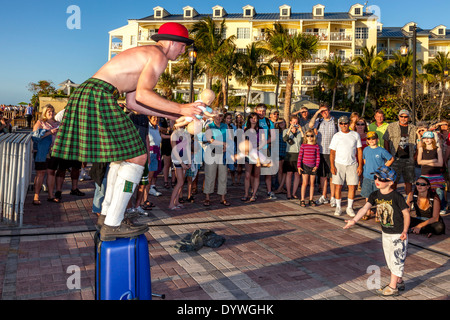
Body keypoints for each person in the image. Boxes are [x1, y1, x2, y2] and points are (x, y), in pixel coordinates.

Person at [51, 22, 205, 241]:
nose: (183, 51)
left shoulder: (148, 54)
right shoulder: (158, 55)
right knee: (138, 156)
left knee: (122, 157)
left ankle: (107, 216)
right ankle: (113, 223)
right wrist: (182, 107)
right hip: (99, 95)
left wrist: (172, 115)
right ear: (172, 42)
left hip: (93, 93)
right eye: (182, 46)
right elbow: (143, 95)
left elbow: (133, 103)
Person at [344, 165, 410, 297]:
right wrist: (354, 220)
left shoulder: (397, 196)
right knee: (390, 260)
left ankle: (393, 287)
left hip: (398, 234)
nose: (377, 180)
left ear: (390, 182)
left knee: (396, 259)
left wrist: (405, 231)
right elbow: (364, 208)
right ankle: (399, 281)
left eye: (381, 179)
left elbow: (406, 214)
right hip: (386, 232)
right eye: (375, 177)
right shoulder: (375, 194)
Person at [329, 116, 363, 217]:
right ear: (339, 124)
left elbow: (359, 151)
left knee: (352, 186)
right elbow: (332, 152)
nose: (344, 125)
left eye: (346, 123)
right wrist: (332, 166)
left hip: (352, 164)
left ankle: (349, 207)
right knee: (338, 186)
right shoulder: (336, 136)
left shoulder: (355, 135)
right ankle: (338, 207)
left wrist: (360, 165)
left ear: (349, 124)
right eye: (341, 123)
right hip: (339, 164)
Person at [383, 109, 417, 207]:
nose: (403, 118)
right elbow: (386, 140)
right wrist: (388, 154)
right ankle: (392, 200)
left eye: (405, 116)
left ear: (408, 117)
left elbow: (419, 141)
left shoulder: (413, 128)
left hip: (409, 159)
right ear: (398, 117)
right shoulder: (391, 126)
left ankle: (408, 202)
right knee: (393, 181)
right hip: (395, 158)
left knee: (409, 181)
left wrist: (416, 155)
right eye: (401, 116)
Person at [360, 131, 394, 220]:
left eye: (373, 139)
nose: (371, 140)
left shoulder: (381, 150)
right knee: (368, 196)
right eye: (369, 139)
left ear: (377, 139)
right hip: (367, 176)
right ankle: (368, 211)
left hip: (378, 178)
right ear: (367, 140)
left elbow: (391, 159)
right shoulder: (366, 149)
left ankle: (378, 214)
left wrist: (383, 169)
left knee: (379, 196)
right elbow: (364, 160)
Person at [309, 105, 337, 206]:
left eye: (325, 110)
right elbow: (310, 125)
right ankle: (324, 196)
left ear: (329, 110)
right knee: (322, 176)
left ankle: (333, 197)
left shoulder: (335, 122)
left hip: (333, 153)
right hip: (321, 152)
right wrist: (317, 113)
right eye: (322, 111)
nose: (324, 113)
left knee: (332, 176)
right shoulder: (319, 121)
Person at [31, 105, 59, 205]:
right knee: (40, 173)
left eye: (52, 111)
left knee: (51, 173)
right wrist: (49, 132)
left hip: (54, 151)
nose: (51, 113)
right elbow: (35, 136)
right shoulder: (40, 123)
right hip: (42, 152)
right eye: (48, 112)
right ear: (44, 113)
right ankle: (36, 196)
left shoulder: (58, 123)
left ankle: (51, 195)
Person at [203, 111, 230, 206]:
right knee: (210, 175)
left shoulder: (225, 126)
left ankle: (222, 197)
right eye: (217, 116)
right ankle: (207, 197)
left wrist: (226, 147)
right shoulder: (209, 126)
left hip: (223, 153)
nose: (219, 118)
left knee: (223, 176)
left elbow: (229, 139)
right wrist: (223, 143)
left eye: (220, 116)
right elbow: (210, 140)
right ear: (213, 116)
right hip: (212, 153)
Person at [416, 131, 447, 214]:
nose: (427, 140)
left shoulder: (438, 149)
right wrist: (433, 161)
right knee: (425, 192)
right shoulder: (421, 148)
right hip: (425, 174)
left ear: (433, 139)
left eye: (429, 138)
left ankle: (442, 207)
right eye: (425, 138)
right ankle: (427, 207)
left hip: (436, 175)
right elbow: (419, 162)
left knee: (439, 192)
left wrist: (424, 161)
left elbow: (440, 163)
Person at [255, 104, 277, 200]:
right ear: (256, 111)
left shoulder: (268, 122)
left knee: (267, 172)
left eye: (263, 111)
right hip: (254, 150)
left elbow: (273, 136)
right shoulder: (252, 120)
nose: (261, 113)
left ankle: (269, 191)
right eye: (259, 111)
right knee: (255, 173)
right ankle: (254, 192)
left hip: (264, 149)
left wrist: (264, 142)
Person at [239, 113, 262, 202]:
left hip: (258, 153)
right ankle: (246, 193)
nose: (253, 119)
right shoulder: (245, 130)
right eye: (252, 118)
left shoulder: (261, 130)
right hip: (248, 154)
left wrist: (257, 147)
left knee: (256, 175)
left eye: (255, 118)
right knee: (248, 175)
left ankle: (254, 194)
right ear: (249, 119)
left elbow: (263, 141)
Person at [169, 124, 190, 210]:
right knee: (180, 182)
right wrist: (181, 163)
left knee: (182, 182)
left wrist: (189, 161)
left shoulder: (186, 134)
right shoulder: (174, 134)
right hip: (177, 159)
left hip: (184, 159)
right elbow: (174, 150)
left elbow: (188, 148)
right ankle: (171, 203)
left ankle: (176, 201)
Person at [297, 129, 320, 207]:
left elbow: (318, 157)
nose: (310, 137)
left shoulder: (316, 146)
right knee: (304, 183)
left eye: (311, 136)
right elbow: (300, 157)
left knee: (312, 184)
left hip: (313, 167)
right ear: (305, 137)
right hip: (305, 166)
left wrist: (316, 166)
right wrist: (299, 166)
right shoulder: (303, 145)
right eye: (308, 136)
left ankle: (311, 199)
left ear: (314, 137)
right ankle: (302, 199)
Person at [283, 116, 303, 200]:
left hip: (298, 155)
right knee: (289, 173)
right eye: (293, 122)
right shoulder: (285, 131)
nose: (295, 124)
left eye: (296, 122)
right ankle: (288, 193)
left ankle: (294, 193)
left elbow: (303, 141)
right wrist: (290, 130)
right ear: (290, 122)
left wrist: (301, 130)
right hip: (289, 154)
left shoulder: (300, 132)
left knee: (297, 174)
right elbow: (285, 139)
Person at [148, 115, 163, 198]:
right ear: (150, 118)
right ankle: (146, 191)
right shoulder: (147, 127)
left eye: (158, 118)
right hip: (150, 151)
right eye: (154, 117)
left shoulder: (157, 128)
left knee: (155, 171)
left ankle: (152, 187)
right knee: (149, 174)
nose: (156, 119)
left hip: (157, 151)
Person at [274, 118, 287, 194]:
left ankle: (281, 187)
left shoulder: (288, 130)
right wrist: (275, 123)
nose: (281, 123)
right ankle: (280, 187)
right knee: (280, 170)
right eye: (280, 122)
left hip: (286, 152)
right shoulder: (276, 132)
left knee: (284, 171)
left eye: (283, 122)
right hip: (278, 151)